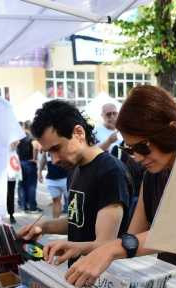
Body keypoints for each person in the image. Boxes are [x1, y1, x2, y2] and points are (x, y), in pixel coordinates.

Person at [59, 85, 176, 287]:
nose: (138, 157)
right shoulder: (152, 176)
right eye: (130, 149)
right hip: (165, 279)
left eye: (142, 147)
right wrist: (82, 248)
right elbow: (132, 239)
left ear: (171, 129)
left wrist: (110, 250)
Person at [17, 100, 131, 266]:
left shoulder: (110, 171)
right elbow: (78, 221)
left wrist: (69, 246)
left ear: (79, 133)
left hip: (101, 278)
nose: (54, 160)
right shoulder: (75, 168)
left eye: (57, 148)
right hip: (78, 273)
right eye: (49, 153)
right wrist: (43, 227)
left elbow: (105, 244)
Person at [17, 121, 42, 213]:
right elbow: (36, 147)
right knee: (31, 185)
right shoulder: (32, 136)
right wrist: (34, 158)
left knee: (22, 185)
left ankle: (23, 205)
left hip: (20, 163)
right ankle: (32, 207)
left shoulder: (20, 137)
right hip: (29, 163)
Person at [38, 152, 68, 219]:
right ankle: (55, 221)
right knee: (56, 201)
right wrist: (39, 172)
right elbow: (43, 158)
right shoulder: (46, 147)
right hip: (52, 179)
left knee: (72, 200)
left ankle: (73, 223)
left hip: (66, 178)